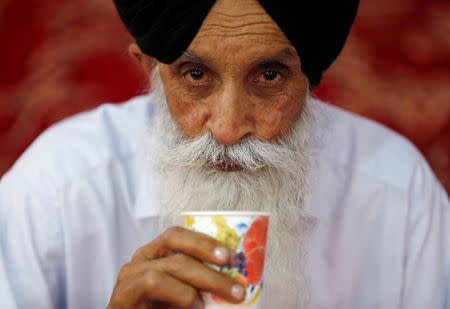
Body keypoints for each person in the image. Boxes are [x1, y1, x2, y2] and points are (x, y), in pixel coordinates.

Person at [0, 0, 449, 308]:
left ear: (309, 80)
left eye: (269, 75)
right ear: (150, 70)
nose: (230, 128)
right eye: (196, 74)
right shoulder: (56, 188)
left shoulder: (397, 193)